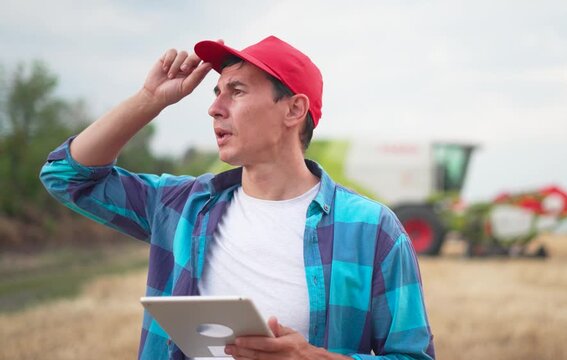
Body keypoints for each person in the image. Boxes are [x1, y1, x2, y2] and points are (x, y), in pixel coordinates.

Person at [40, 35, 435, 360]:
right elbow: (67, 176)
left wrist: (312, 359)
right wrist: (151, 98)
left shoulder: (373, 230)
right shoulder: (181, 206)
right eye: (216, 92)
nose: (214, 108)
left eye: (237, 90)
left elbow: (413, 356)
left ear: (294, 109)